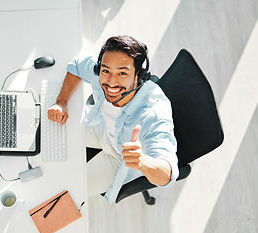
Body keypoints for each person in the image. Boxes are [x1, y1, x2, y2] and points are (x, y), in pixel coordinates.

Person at [48, 35, 179, 203]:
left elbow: (168, 175)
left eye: (122, 73)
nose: (111, 82)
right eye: (105, 71)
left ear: (139, 75)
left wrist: (142, 161)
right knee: (49, 132)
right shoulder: (103, 71)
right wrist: (61, 102)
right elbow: (77, 65)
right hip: (102, 128)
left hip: (121, 157)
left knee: (67, 190)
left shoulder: (153, 113)